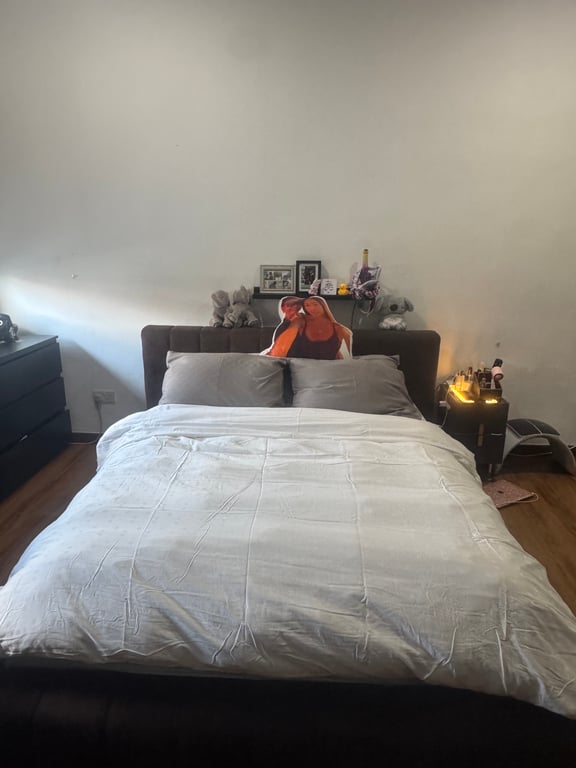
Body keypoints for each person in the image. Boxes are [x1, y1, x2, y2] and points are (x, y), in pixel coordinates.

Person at [266, 296, 352, 359]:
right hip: (297, 367)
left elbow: (340, 354)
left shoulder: (339, 329)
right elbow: (278, 353)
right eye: (307, 305)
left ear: (323, 306)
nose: (312, 308)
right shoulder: (299, 323)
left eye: (315, 304)